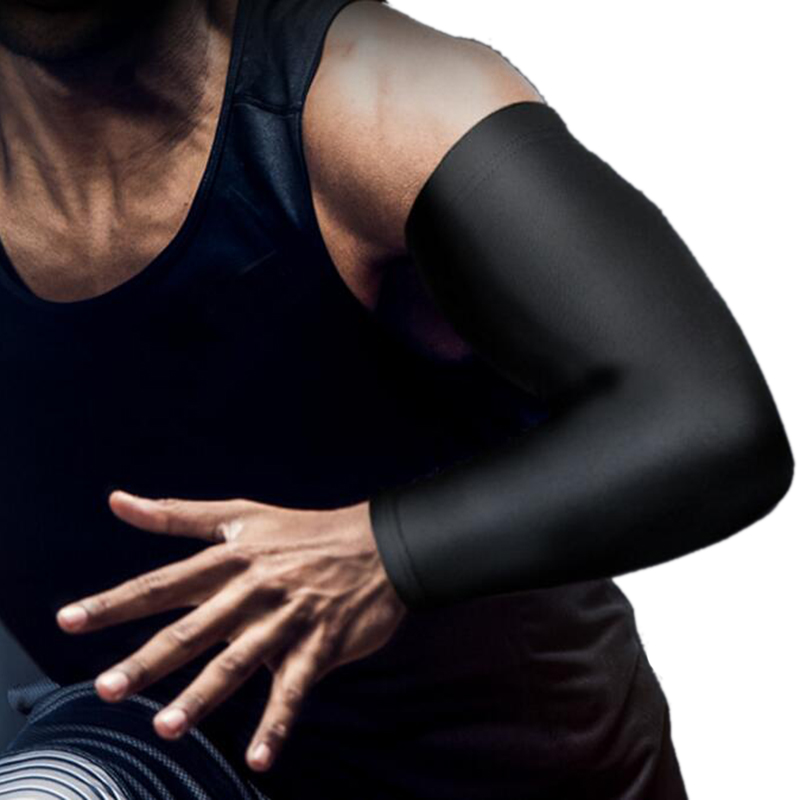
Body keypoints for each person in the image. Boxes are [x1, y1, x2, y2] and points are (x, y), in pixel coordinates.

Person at [0, 0, 792, 797]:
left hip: (502, 775)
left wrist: (382, 553)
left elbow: (709, 422)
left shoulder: (384, 102)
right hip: (161, 759)